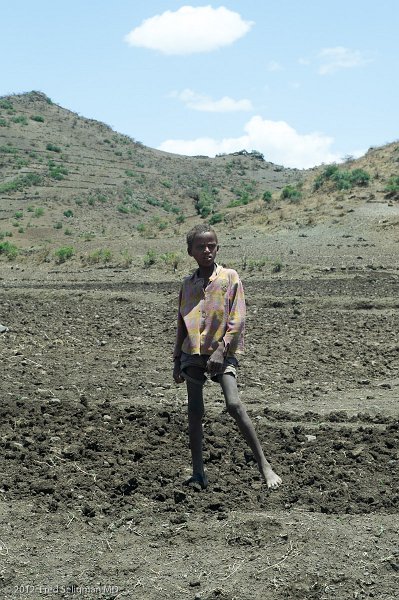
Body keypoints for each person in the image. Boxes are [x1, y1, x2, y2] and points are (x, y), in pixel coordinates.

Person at [173, 223, 282, 490]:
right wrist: (177, 360)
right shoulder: (187, 284)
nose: (207, 250)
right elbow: (181, 322)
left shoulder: (230, 277)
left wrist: (222, 350)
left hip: (223, 351)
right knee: (194, 411)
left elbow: (238, 317)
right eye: (200, 247)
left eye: (211, 246)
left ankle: (265, 466)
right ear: (190, 252)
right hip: (193, 353)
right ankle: (198, 473)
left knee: (234, 405)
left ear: (217, 247)